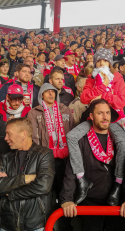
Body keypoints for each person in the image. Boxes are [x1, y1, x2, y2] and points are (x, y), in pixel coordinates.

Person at [60, 99, 125, 231]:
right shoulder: (81, 140)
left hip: (116, 202)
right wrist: (66, 199)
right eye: (100, 113)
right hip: (90, 202)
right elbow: (71, 169)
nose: (105, 117)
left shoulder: (120, 140)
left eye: (108, 113)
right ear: (91, 116)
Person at [0, 117, 55, 231]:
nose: (5, 138)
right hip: (7, 225)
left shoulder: (44, 154)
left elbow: (43, 186)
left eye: (9, 134)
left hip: (35, 225)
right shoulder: (5, 158)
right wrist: (24, 179)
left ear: (24, 134)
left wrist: (11, 193)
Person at [27, 83, 75, 231]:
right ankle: (48, 225)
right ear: (41, 95)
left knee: (65, 192)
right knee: (46, 192)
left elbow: (72, 132)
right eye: (47, 92)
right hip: (45, 159)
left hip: (64, 158)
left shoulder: (65, 110)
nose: (50, 94)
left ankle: (67, 225)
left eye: (53, 92)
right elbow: (34, 139)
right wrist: (40, 157)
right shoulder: (34, 113)